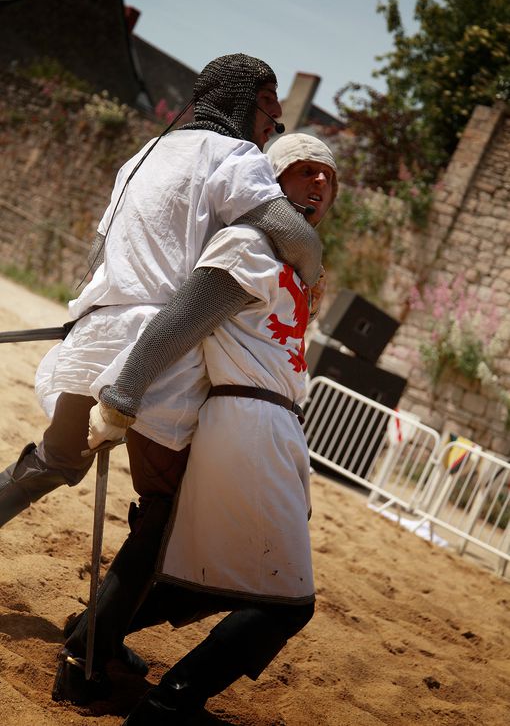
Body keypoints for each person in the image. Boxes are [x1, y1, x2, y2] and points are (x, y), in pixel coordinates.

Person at [54, 133, 338, 723]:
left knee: (191, 573)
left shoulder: (296, 263)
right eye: (303, 171)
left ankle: (89, 641)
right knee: (288, 604)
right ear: (270, 183)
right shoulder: (250, 244)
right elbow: (178, 323)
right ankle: (168, 705)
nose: (317, 184)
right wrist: (120, 400)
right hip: (245, 425)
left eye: (327, 175)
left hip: (272, 428)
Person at [0, 54, 323, 530]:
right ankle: (123, 604)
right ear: (241, 101)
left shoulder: (145, 152)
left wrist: (85, 316)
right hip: (163, 357)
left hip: (97, 335)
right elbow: (288, 233)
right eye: (268, 110)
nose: (269, 127)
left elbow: (100, 253)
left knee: (59, 459)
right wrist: (312, 275)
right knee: (181, 498)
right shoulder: (236, 156)